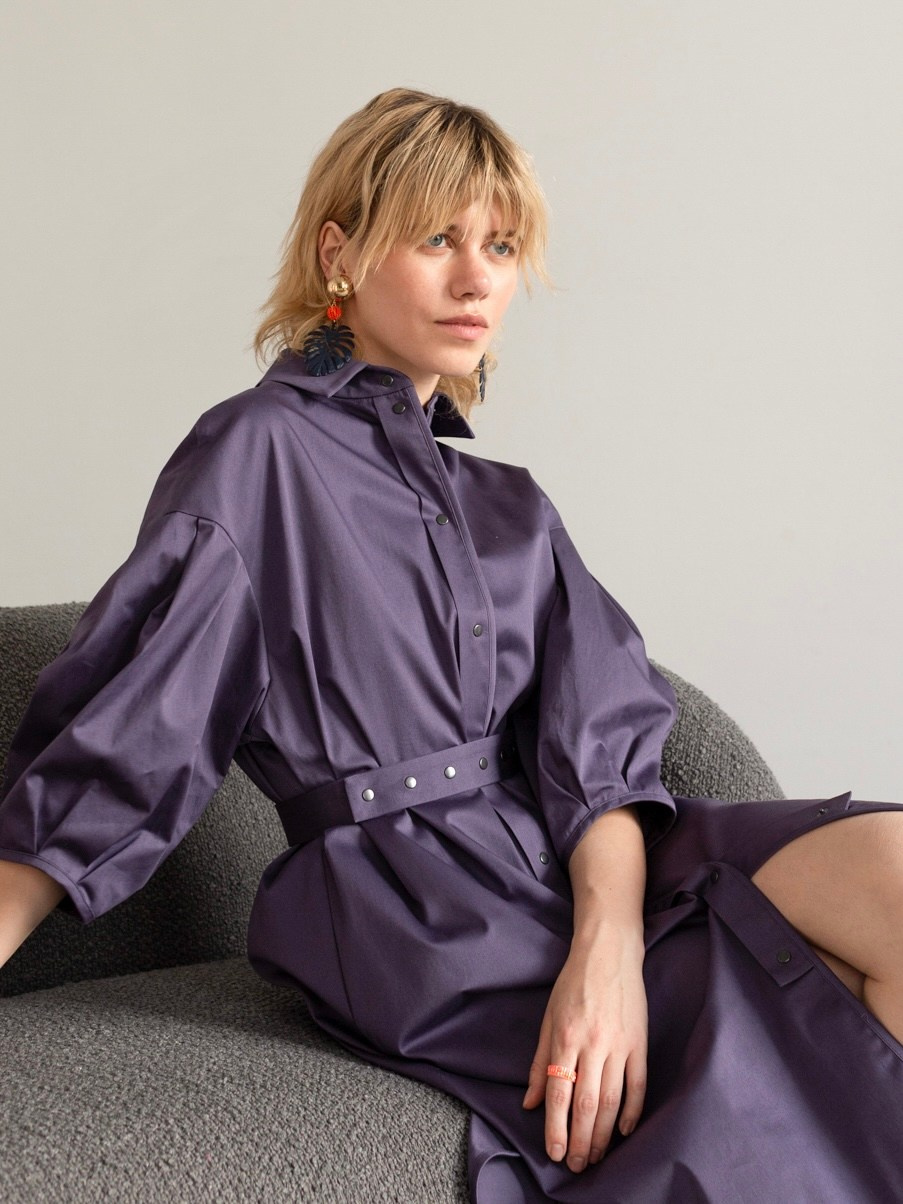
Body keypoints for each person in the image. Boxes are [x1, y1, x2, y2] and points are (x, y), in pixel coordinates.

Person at [1, 88, 901, 1202]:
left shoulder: (510, 506)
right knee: (769, 1033)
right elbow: (133, 729)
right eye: (437, 238)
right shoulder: (256, 454)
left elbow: (602, 753)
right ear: (339, 253)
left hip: (587, 868)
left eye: (501, 246)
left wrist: (606, 950)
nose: (477, 279)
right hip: (421, 908)